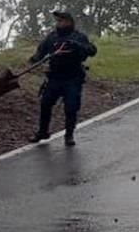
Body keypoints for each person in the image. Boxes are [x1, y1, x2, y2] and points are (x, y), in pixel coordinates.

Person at [29, 10, 97, 147]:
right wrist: (34, 59)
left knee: (71, 107)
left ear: (69, 22)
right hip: (54, 77)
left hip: (73, 78)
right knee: (45, 103)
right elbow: (41, 52)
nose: (58, 23)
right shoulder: (52, 37)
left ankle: (69, 135)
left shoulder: (79, 37)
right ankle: (43, 132)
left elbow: (92, 51)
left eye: (61, 20)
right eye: (57, 21)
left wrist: (77, 46)